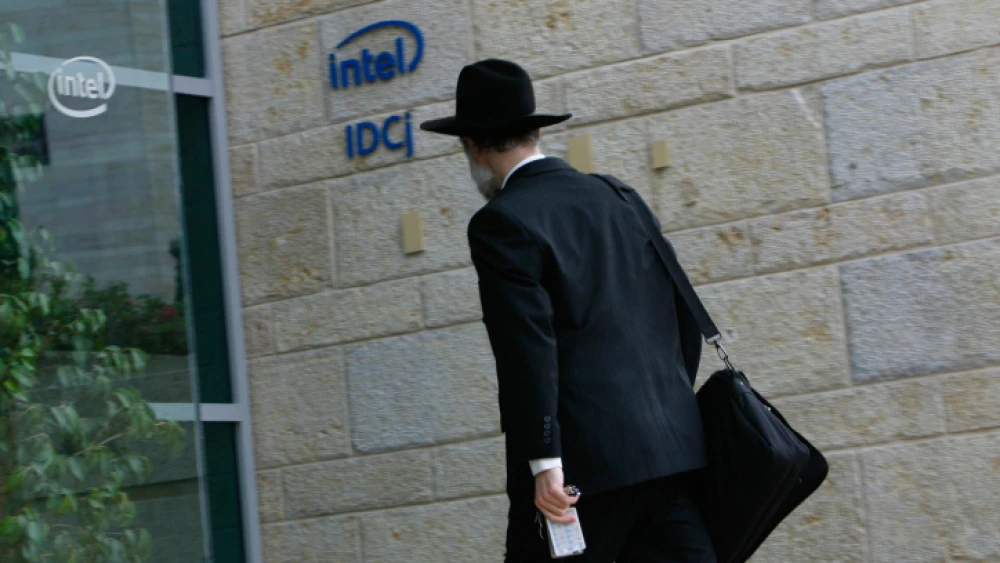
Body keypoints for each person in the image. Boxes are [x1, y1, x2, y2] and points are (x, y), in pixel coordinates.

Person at [420, 59, 716, 563]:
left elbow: (526, 350)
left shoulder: (502, 222)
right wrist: (657, 415)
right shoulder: (618, 195)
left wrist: (545, 466)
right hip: (669, 452)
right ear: (536, 129)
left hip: (579, 477)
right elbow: (683, 317)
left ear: (471, 146)